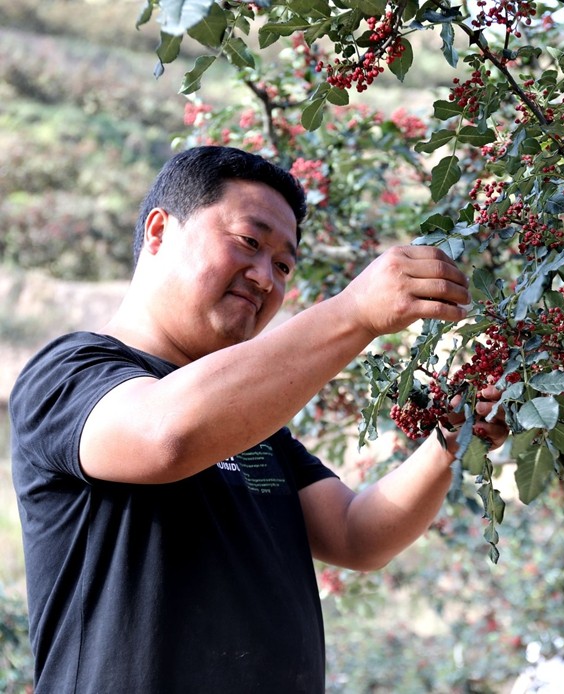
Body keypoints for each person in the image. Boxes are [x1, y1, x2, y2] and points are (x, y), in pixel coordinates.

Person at [10, 145, 508, 693]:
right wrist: (354, 312)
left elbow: (356, 535)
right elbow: (165, 437)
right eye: (249, 242)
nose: (266, 278)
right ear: (159, 232)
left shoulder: (256, 427)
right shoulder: (69, 373)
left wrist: (452, 437)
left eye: (283, 265)